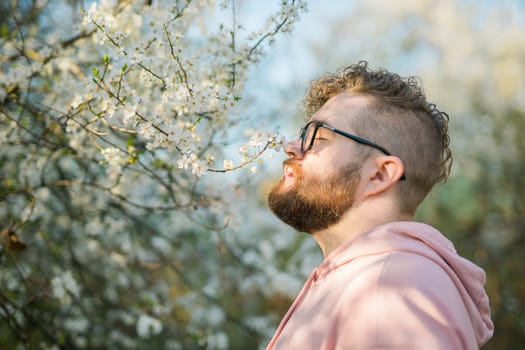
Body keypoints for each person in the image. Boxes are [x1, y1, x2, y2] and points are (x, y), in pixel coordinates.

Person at [266, 61, 494, 349]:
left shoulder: (392, 285)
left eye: (319, 137)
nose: (291, 146)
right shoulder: (367, 280)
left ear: (380, 174)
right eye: (303, 134)